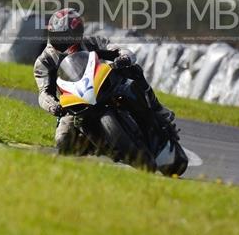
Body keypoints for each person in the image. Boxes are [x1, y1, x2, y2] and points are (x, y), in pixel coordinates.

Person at [33, 8, 179, 155]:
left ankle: (157, 108)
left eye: (65, 35)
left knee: (133, 69)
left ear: (77, 33)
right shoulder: (44, 61)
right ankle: (96, 147)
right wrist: (53, 106)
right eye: (56, 35)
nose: (61, 40)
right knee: (63, 141)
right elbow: (43, 93)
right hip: (74, 103)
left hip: (104, 84)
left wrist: (124, 57)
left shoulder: (92, 42)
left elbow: (118, 49)